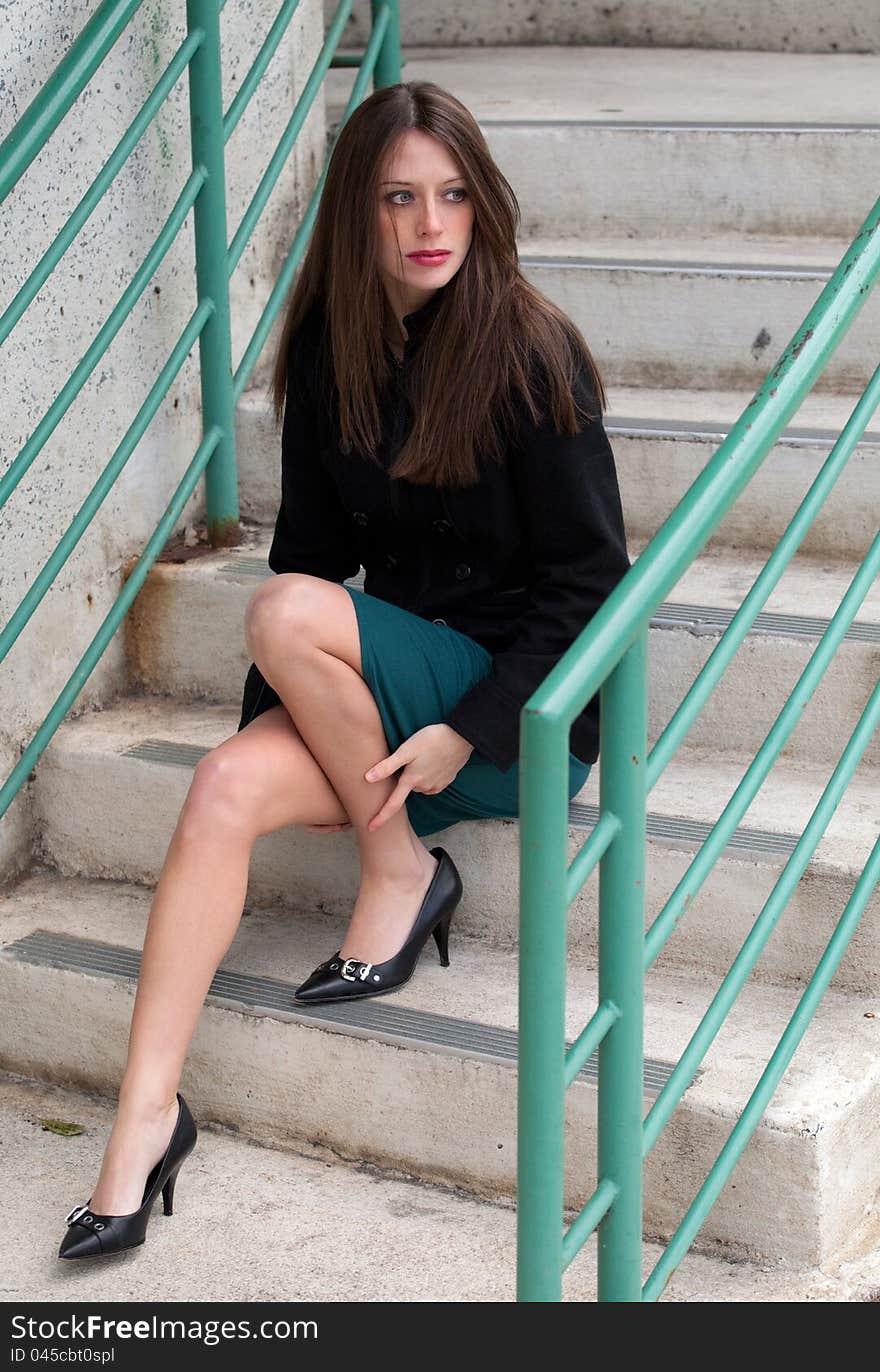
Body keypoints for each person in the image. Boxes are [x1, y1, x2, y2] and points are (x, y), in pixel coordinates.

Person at [57, 80, 630, 1262]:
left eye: (454, 194)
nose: (431, 223)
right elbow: (312, 560)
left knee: (283, 613)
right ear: (355, 218)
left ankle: (396, 873)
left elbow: (588, 589)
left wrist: (467, 727)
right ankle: (141, 1125)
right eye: (398, 197)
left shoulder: (533, 353)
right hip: (385, 716)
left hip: (510, 722)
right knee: (221, 785)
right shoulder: (328, 355)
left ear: (482, 206)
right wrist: (282, 740)